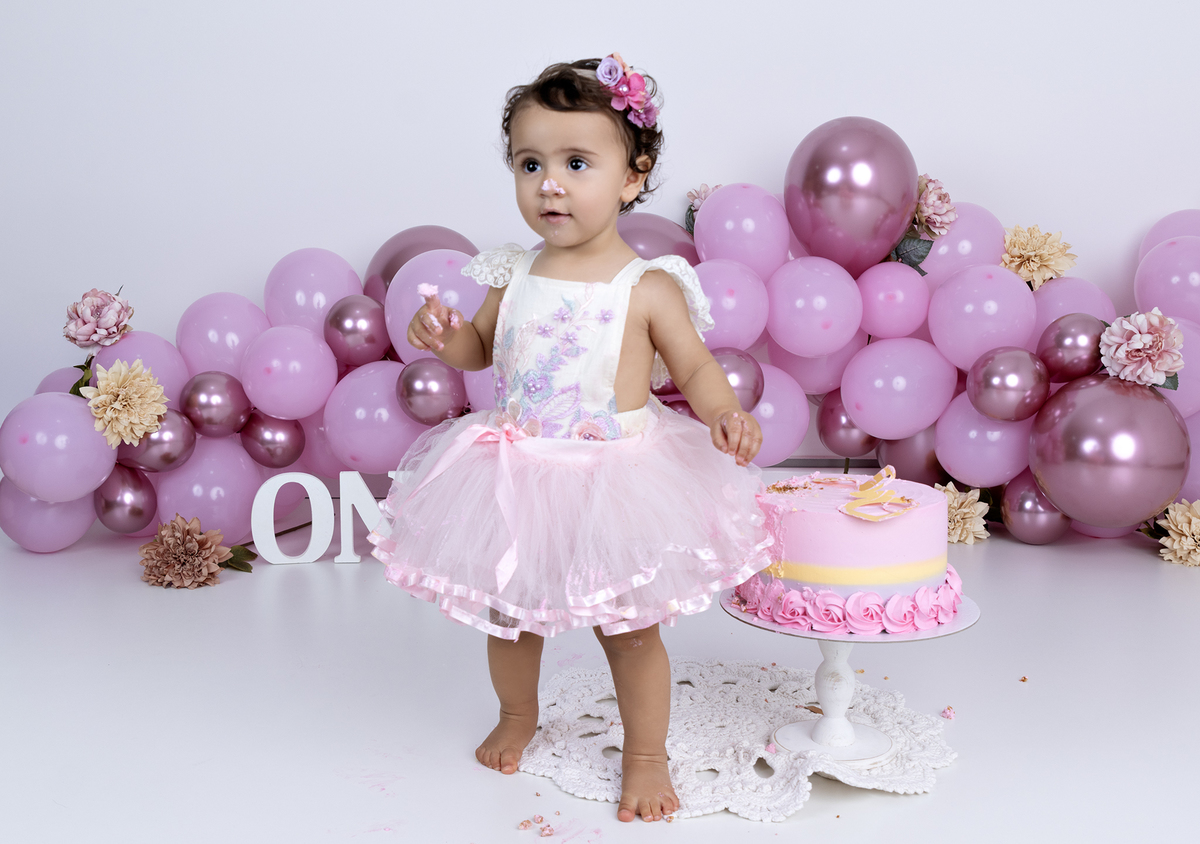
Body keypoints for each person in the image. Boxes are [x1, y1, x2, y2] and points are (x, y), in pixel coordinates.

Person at [369, 54, 772, 823]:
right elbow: (480, 351)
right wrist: (444, 337)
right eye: (531, 164)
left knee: (630, 631)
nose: (550, 184)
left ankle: (645, 756)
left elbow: (694, 366)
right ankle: (518, 715)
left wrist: (724, 411)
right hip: (516, 474)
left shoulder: (648, 286)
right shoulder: (513, 273)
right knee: (508, 615)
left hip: (614, 482)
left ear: (631, 176)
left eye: (576, 163)